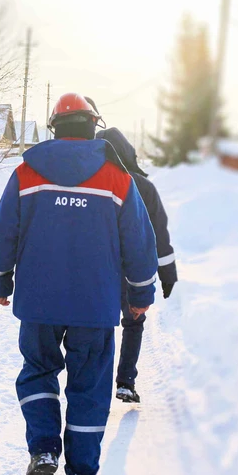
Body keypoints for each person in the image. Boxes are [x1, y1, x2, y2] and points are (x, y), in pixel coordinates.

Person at [0, 93, 159, 475]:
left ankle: (44, 450)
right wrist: (140, 293)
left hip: (39, 302)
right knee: (90, 387)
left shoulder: (26, 174)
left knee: (38, 371)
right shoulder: (117, 178)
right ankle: (81, 474)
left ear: (54, 128)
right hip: (94, 306)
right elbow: (139, 242)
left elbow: (2, 232)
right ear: (92, 125)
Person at [96, 125, 178, 404]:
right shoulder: (144, 186)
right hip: (135, 271)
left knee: (100, 326)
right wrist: (167, 272)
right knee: (133, 323)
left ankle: (96, 382)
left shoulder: (91, 184)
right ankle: (125, 382)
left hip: (99, 270)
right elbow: (159, 234)